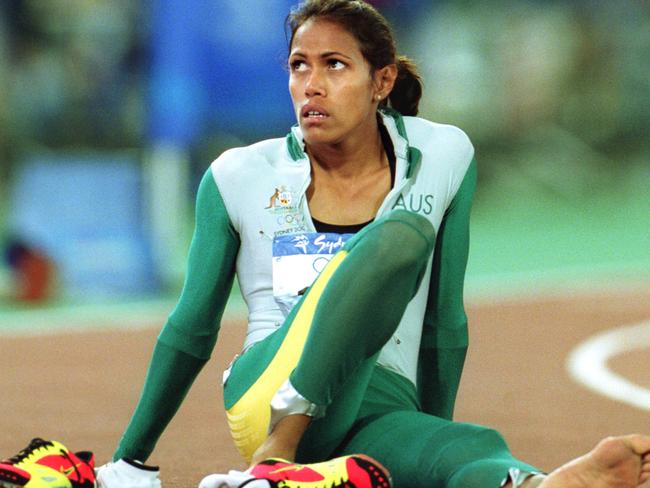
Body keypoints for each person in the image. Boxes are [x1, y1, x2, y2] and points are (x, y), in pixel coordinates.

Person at [97, 1, 650, 488]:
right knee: (399, 238)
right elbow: (191, 329)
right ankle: (276, 457)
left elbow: (444, 324)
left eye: (334, 65)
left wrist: (435, 429)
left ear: (381, 80)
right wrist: (130, 461)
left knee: (467, 449)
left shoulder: (443, 154)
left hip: (378, 402)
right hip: (267, 394)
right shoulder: (237, 175)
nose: (310, 85)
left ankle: (537, 484)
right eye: (298, 66)